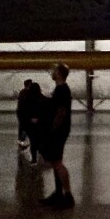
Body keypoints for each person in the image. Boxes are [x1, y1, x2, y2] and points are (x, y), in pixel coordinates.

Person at [40, 63, 74, 209]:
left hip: (58, 130)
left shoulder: (61, 90)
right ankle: (59, 193)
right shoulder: (61, 89)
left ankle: (67, 195)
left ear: (59, 73)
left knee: (58, 162)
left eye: (54, 70)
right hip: (60, 129)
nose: (52, 72)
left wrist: (53, 130)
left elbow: (61, 112)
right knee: (55, 161)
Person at [24, 82, 46, 165]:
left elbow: (24, 111)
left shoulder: (27, 99)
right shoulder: (43, 98)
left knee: (33, 141)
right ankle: (42, 154)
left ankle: (34, 159)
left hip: (31, 123)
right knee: (41, 139)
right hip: (41, 123)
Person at [16, 78, 32, 149]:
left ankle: (21, 142)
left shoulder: (22, 92)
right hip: (25, 113)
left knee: (22, 127)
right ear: (29, 84)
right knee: (26, 128)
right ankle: (22, 143)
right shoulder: (28, 92)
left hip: (20, 112)